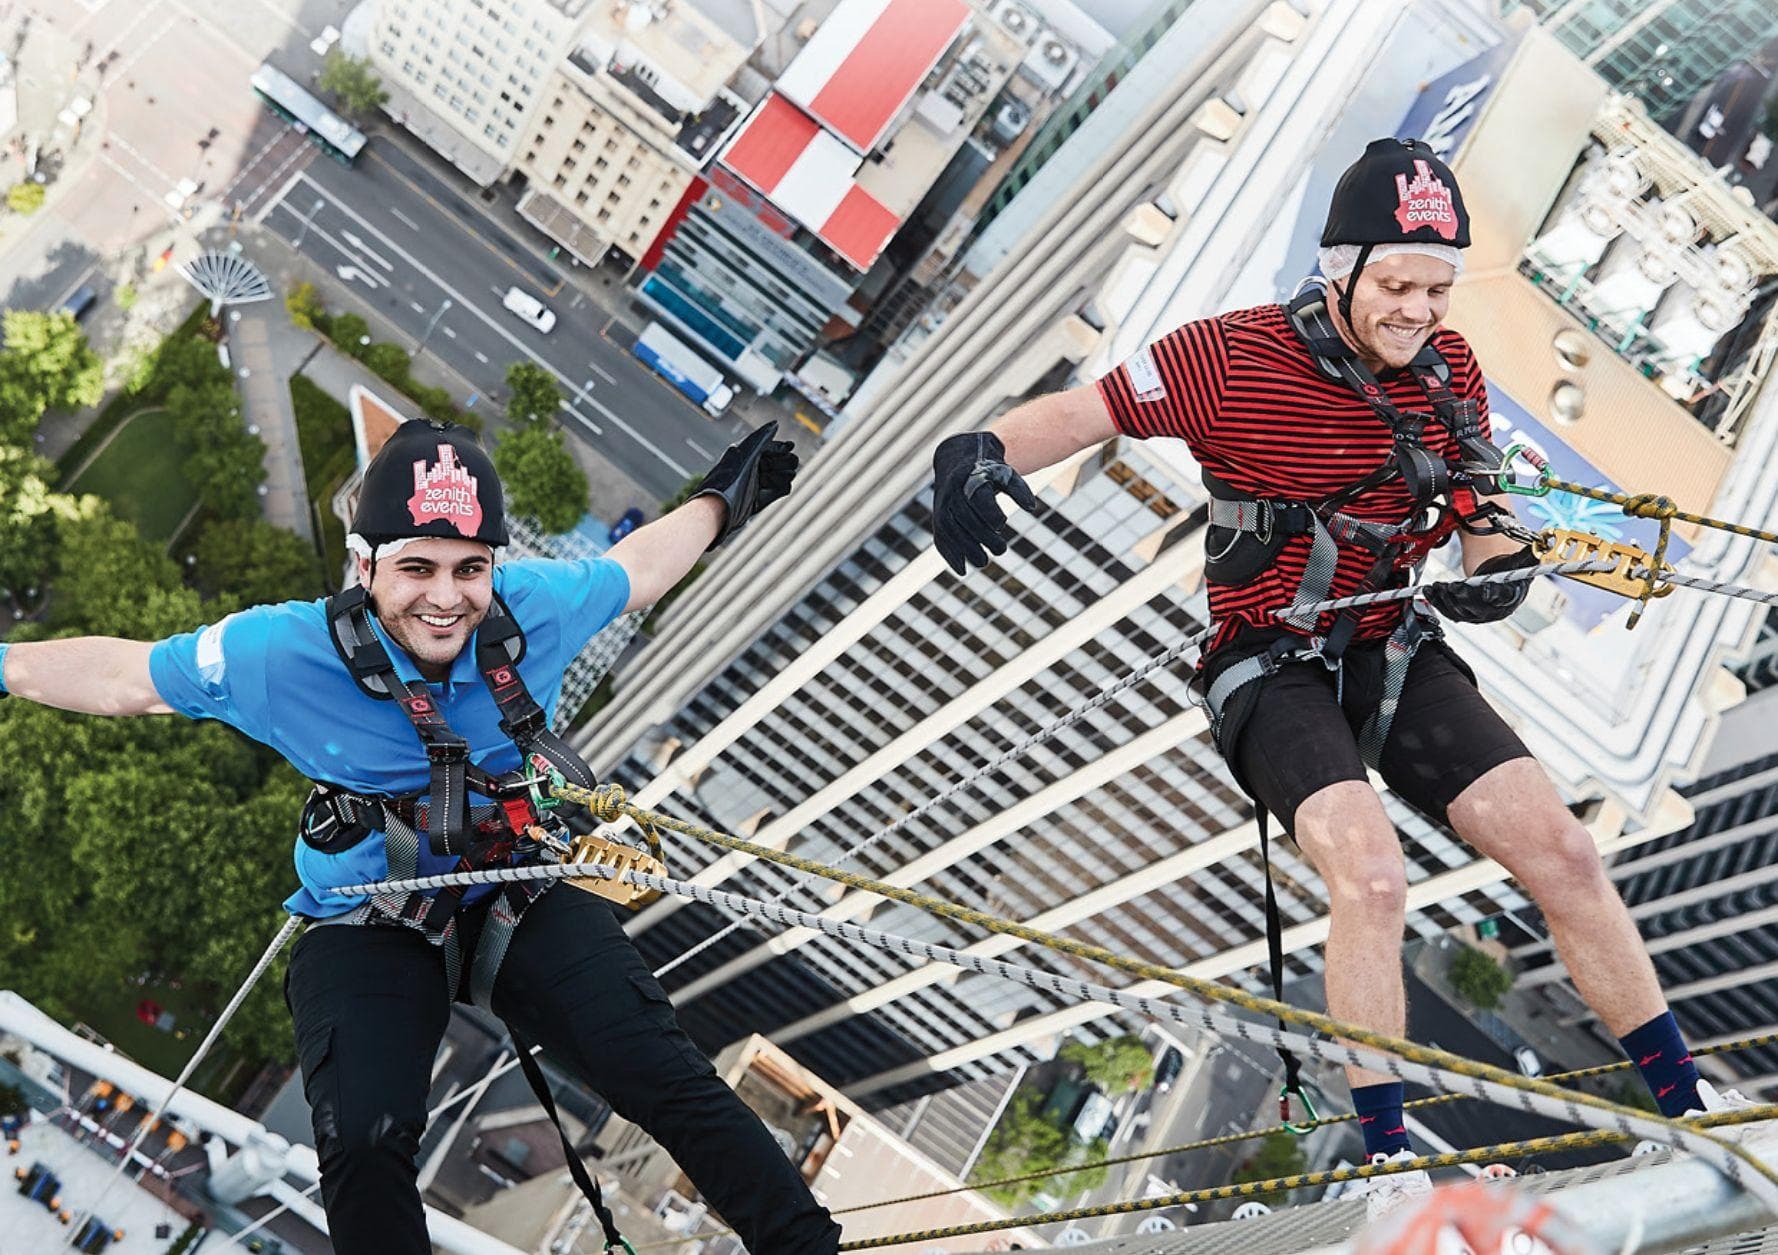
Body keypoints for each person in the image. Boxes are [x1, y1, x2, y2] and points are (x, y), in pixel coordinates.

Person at [927, 138, 1754, 1217]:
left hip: (1388, 641)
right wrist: (981, 448)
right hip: (1265, 662)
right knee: (1370, 877)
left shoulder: (1449, 371)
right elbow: (1088, 412)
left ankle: (1688, 1105)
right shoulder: (1228, 358)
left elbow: (1482, 512)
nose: (1418, 309)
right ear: (1341, 267)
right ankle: (1384, 1161)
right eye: (1397, 284)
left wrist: (1496, 573)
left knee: (1564, 851)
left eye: (1437, 288)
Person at [4, 418, 842, 1255]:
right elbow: (127, 679)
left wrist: (719, 502)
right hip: (366, 914)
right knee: (364, 1142)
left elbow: (638, 571)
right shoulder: (278, 652)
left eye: (470, 569)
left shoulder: (533, 608)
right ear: (364, 565)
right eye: (417, 567)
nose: (447, 597)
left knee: (662, 1070)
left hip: (512, 887)